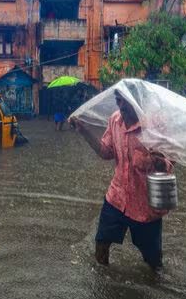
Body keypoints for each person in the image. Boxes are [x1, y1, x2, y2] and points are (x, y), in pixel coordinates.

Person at [70, 90, 172, 272]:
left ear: (138, 101)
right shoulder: (115, 121)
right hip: (116, 198)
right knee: (101, 243)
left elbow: (170, 161)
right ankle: (102, 283)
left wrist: (160, 162)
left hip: (145, 206)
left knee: (153, 260)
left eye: (126, 102)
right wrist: (84, 131)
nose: (121, 106)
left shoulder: (155, 126)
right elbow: (105, 152)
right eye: (118, 101)